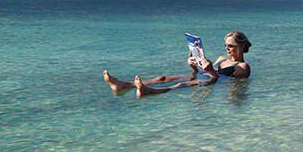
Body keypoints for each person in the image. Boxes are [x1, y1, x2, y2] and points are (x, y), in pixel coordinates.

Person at [104, 31, 252, 98]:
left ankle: (149, 91)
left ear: (241, 46)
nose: (227, 48)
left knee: (180, 85)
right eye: (226, 45)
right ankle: (123, 85)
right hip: (204, 75)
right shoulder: (221, 58)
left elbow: (225, 82)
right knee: (163, 78)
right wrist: (194, 66)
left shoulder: (243, 67)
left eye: (230, 46)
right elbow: (206, 71)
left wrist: (209, 71)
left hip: (212, 82)